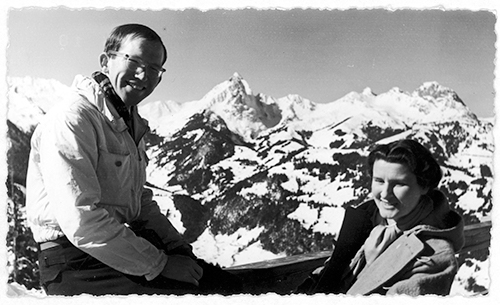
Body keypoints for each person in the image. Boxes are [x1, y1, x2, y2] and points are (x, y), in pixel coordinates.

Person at [26, 23, 242, 296]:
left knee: (221, 284)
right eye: (135, 61)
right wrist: (161, 263)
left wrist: (179, 250)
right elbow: (80, 221)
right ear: (106, 61)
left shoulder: (127, 121)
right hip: (73, 262)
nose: (143, 75)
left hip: (106, 250)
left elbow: (137, 200)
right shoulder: (73, 119)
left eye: (154, 69)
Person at [296, 139, 464, 295]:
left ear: (425, 186)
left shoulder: (435, 255)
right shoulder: (368, 220)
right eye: (379, 181)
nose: (385, 194)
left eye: (399, 184)